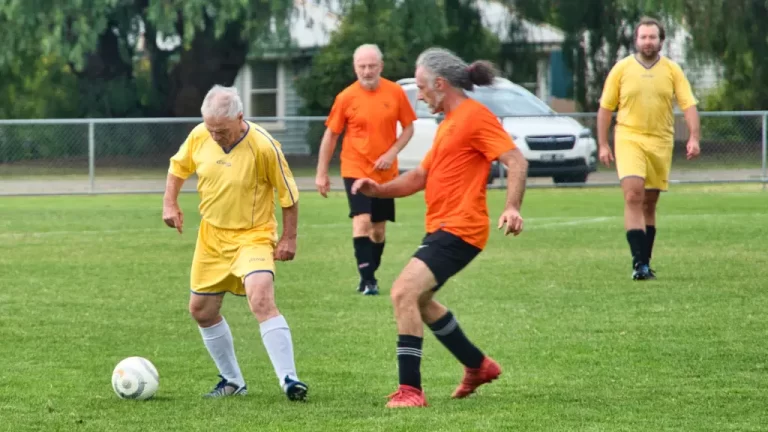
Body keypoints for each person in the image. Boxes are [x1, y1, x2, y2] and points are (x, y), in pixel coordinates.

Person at [351, 47, 528, 408]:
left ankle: (410, 391)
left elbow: (515, 159)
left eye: (421, 87)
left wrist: (512, 207)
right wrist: (379, 189)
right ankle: (478, 365)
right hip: (443, 227)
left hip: (461, 228)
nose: (418, 96)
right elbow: (419, 176)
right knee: (422, 300)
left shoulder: (475, 117)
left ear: (441, 84)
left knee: (402, 293)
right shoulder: (449, 124)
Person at [162, 85, 309, 401]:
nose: (215, 136)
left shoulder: (264, 147)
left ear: (240, 117)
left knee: (260, 297)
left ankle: (289, 380)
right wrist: (169, 203)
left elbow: (289, 197)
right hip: (211, 237)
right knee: (201, 310)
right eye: (211, 129)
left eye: (222, 131)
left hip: (253, 236)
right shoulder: (201, 134)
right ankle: (232, 381)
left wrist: (289, 238)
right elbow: (178, 166)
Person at [597, 16, 701, 280]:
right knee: (633, 195)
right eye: (643, 37)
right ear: (636, 40)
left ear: (661, 40)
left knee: (650, 203)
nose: (647, 41)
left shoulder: (672, 70)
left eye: (652, 37)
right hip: (629, 137)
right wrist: (603, 144)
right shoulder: (621, 69)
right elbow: (606, 108)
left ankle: (645, 260)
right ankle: (638, 263)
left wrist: (694, 137)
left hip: (660, 141)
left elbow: (688, 105)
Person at [315, 43, 418, 296]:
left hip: (385, 173)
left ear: (380, 67)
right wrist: (321, 173)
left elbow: (408, 129)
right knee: (361, 222)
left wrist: (391, 153)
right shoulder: (346, 97)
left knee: (378, 230)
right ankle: (369, 280)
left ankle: (368, 272)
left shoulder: (395, 93)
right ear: (355, 67)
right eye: (362, 66)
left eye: (372, 66)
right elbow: (331, 135)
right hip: (355, 168)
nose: (367, 71)